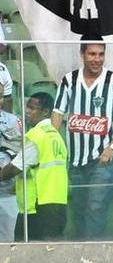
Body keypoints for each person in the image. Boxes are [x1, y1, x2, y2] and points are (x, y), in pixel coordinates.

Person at [52, 42, 113, 239]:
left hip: (103, 161)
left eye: (101, 54)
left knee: (95, 210)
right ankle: (82, 259)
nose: (97, 59)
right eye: (92, 54)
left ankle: (93, 258)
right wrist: (55, 143)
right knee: (79, 212)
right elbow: (57, 113)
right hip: (75, 161)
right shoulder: (69, 80)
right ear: (82, 54)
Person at [17, 93, 68, 241]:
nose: (27, 111)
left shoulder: (36, 135)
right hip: (58, 204)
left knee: (23, 254)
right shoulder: (56, 136)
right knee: (53, 255)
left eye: (32, 108)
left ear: (45, 111)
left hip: (38, 207)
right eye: (27, 107)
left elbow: (16, 167)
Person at [0, 101, 24, 240]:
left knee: (8, 240)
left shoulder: (13, 121)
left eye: (1, 95)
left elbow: (22, 153)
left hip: (7, 191)